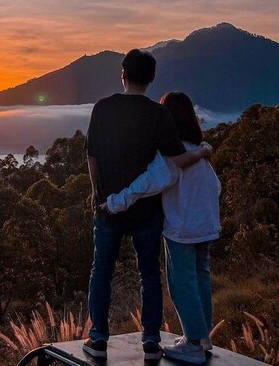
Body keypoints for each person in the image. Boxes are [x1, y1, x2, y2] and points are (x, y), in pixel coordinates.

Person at [82, 50, 213, 360]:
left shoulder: (102, 108)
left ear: (123, 73)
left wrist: (94, 191)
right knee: (149, 274)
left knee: (101, 271)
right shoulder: (158, 114)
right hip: (147, 211)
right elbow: (177, 159)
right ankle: (151, 341)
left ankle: (98, 338)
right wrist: (203, 150)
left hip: (107, 208)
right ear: (152, 78)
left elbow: (92, 156)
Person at [101, 91, 221, 364]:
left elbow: (147, 184)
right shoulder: (199, 151)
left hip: (182, 229)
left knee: (182, 285)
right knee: (201, 279)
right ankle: (202, 338)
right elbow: (216, 187)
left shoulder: (172, 155)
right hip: (207, 227)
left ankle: (191, 343)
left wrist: (113, 203)